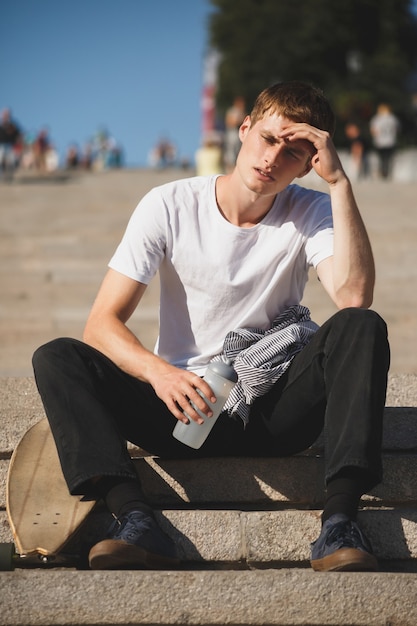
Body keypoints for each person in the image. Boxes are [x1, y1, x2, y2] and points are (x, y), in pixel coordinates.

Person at [32, 81, 390, 572]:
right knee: (58, 356)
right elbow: (101, 323)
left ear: (310, 162)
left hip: (271, 409)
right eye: (268, 138)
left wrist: (340, 185)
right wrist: (161, 374)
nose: (273, 157)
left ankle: (340, 521)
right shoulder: (169, 204)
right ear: (243, 129)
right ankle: (135, 518)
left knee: (360, 326)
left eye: (294, 152)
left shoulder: (312, 210)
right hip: (180, 410)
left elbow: (352, 296)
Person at [370, 103, 400, 180]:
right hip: (390, 141)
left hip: (380, 142)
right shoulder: (393, 118)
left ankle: (382, 172)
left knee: (381, 158)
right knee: (388, 158)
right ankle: (386, 172)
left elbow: (373, 131)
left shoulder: (377, 118)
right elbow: (397, 129)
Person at [0, 108, 22, 177]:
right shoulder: (1, 125)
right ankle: (2, 175)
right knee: (1, 159)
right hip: (1, 145)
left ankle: (9, 176)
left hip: (11, 146)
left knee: (11, 161)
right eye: (4, 114)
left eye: (7, 114)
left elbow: (19, 135)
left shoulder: (13, 125)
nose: (5, 116)